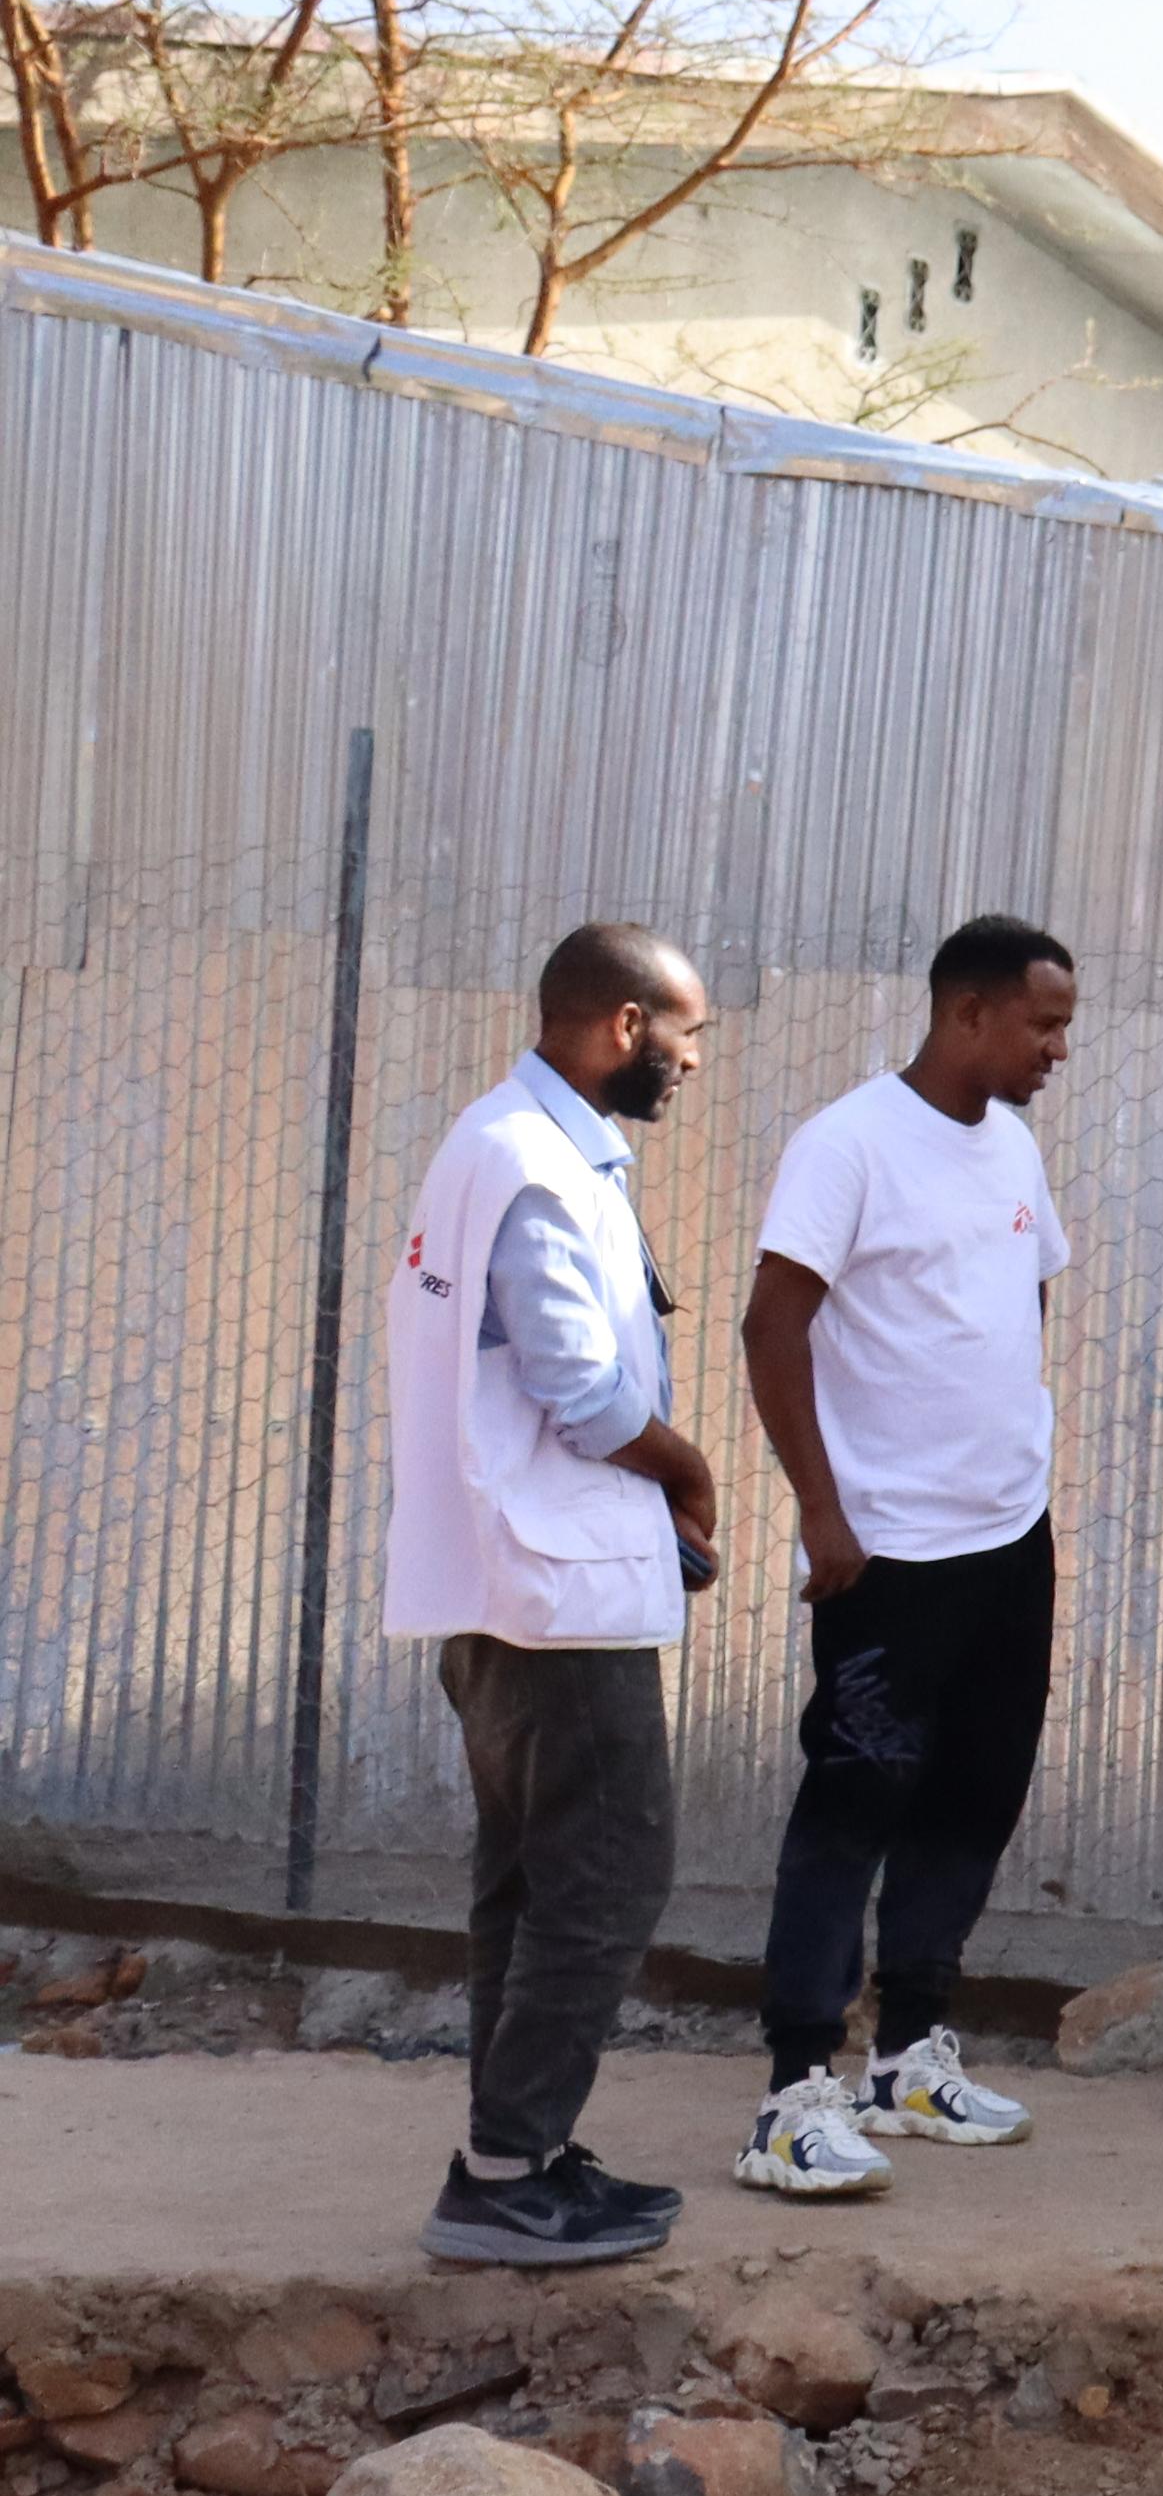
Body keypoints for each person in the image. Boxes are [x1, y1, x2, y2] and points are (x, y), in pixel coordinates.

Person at [731, 912, 1080, 2198]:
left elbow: (1024, 1293)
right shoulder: (850, 1144)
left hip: (1008, 1537)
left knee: (976, 1793)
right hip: (891, 1555)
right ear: (968, 1012)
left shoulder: (1016, 1143)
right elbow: (773, 1326)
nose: (1056, 1049)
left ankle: (912, 2054)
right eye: (1041, 1023)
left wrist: (1013, 1447)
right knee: (853, 1803)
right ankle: (792, 2091)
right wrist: (823, 1508)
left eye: (1063, 1026)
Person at [392, 923, 724, 2268]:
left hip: (504, 1582)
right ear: (626, 1025)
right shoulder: (536, 1166)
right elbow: (583, 1391)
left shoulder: (505, 1142)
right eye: (687, 1031)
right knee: (606, 1876)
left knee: (526, 1886)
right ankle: (504, 2173)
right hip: (553, 1605)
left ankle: (511, 2154)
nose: (697, 1058)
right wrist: (689, 1469)